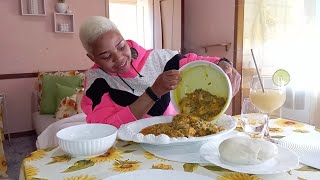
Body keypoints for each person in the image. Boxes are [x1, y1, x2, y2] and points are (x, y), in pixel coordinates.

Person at [79, 16, 241, 128]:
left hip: (174, 138)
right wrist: (154, 92)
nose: (119, 58)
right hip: (126, 153)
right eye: (106, 56)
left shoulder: (159, 58)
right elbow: (104, 128)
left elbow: (198, 63)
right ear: (92, 58)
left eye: (121, 46)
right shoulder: (96, 83)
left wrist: (224, 64)